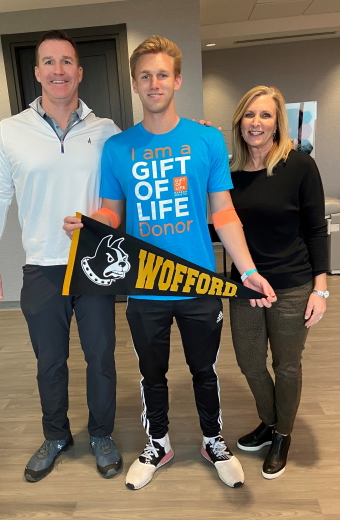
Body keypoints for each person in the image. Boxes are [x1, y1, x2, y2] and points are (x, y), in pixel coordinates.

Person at [64, 36, 276, 490]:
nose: (154, 83)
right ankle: (157, 442)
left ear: (176, 80)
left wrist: (250, 270)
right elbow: (112, 212)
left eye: (163, 74)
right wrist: (91, 225)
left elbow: (223, 212)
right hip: (146, 286)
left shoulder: (206, 138)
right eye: (145, 75)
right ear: (135, 84)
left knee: (205, 371)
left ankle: (212, 440)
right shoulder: (118, 148)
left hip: (199, 283)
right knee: (151, 373)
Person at [0, 30, 123, 483]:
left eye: (66, 62)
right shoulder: (11, 130)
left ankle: (101, 433)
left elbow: (121, 199)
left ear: (79, 72)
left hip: (94, 263)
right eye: (48, 62)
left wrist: (101, 219)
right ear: (37, 72)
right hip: (41, 266)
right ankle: (56, 434)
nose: (58, 70)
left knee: (101, 357)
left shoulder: (107, 132)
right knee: (50, 362)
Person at [228, 85, 328, 479]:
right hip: (245, 287)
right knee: (250, 362)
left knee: (286, 365)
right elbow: (224, 226)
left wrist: (320, 288)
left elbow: (316, 230)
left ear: (277, 123)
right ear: (240, 121)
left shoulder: (299, 166)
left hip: (291, 285)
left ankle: (282, 435)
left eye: (265, 115)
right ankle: (269, 422)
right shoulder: (230, 171)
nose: (256, 122)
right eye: (249, 114)